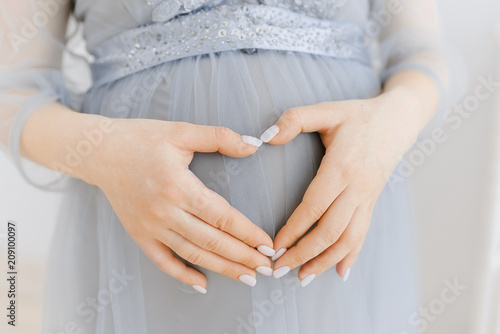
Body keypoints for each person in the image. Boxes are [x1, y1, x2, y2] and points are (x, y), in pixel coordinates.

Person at [0, 0, 464, 333]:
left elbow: (426, 56)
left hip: (340, 237)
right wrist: (105, 153)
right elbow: (10, 93)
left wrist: (384, 133)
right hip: (151, 254)